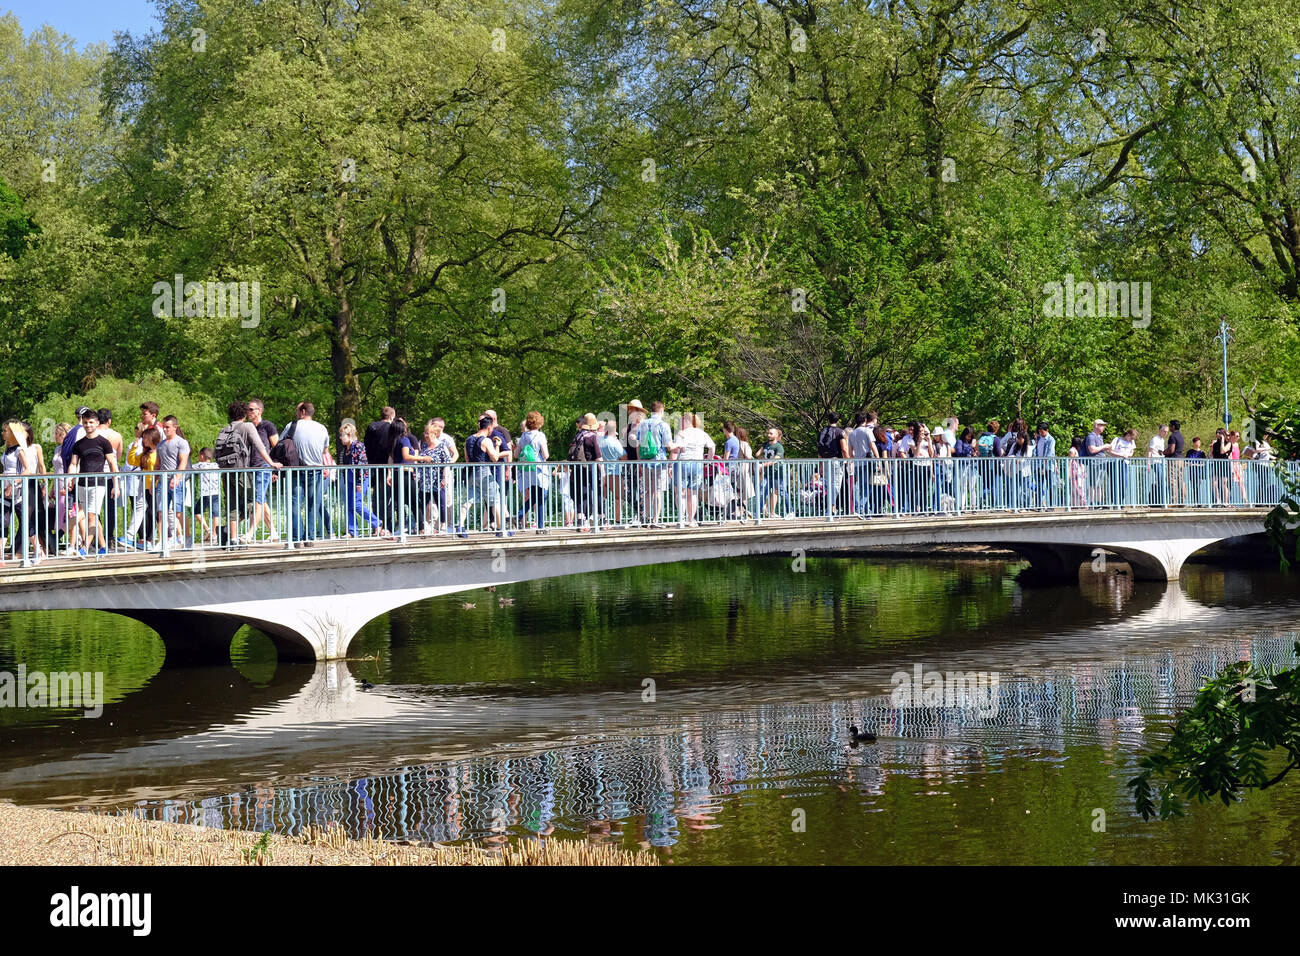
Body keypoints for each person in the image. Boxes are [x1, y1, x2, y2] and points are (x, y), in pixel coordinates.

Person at [215, 401, 279, 549]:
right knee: (253, 501)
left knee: (232, 504)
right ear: (243, 414)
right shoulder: (248, 426)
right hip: (242, 472)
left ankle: (232, 538)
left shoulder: (225, 429)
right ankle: (248, 534)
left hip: (226, 472)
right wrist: (272, 463)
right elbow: (260, 446)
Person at [67, 410, 119, 556]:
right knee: (93, 517)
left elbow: (112, 464)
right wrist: (70, 478)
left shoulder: (104, 442)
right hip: (83, 484)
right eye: (85, 422)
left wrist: (116, 485)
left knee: (91, 516)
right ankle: (103, 546)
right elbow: (73, 463)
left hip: (98, 484)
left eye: (91, 422)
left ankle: (84, 548)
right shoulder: (79, 444)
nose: (88, 425)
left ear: (97, 423)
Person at [284, 402, 330, 545]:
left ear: (303, 411)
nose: (296, 413)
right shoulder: (322, 428)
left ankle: (297, 538)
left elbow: (282, 445)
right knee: (313, 504)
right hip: (315, 470)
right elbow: (325, 450)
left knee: (295, 503)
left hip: (296, 470)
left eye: (297, 410)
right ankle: (309, 538)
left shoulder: (292, 426)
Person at [457, 414, 509, 537]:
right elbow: (495, 458)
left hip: (472, 473)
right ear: (490, 427)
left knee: (468, 500)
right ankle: (501, 529)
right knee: (495, 500)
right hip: (485, 473)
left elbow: (467, 459)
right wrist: (497, 445)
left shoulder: (468, 439)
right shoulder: (486, 441)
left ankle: (460, 526)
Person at [338, 422, 384, 537]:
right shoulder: (345, 450)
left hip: (360, 478)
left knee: (356, 504)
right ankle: (352, 530)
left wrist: (359, 482)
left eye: (342, 435)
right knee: (349, 505)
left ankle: (376, 522)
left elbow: (362, 465)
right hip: (348, 478)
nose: (340, 437)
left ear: (349, 435)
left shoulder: (358, 446)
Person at [246, 399, 280, 542]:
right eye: (248, 409)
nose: (248, 412)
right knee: (262, 500)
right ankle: (273, 532)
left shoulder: (267, 426)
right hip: (252, 468)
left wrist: (274, 470)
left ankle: (250, 533)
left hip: (264, 467)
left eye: (251, 409)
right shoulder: (247, 427)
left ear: (259, 411)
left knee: (258, 500)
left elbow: (277, 448)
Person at [636, 402, 675, 527]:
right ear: (661, 410)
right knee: (658, 491)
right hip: (659, 462)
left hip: (645, 462)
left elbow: (638, 445)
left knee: (647, 491)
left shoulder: (642, 424)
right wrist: (679, 446)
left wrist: (640, 462)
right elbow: (669, 446)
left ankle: (646, 519)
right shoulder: (663, 425)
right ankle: (655, 520)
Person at [673, 412, 714, 526]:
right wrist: (708, 461)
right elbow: (712, 446)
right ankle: (691, 520)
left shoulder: (681, 433)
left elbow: (676, 450)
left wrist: (670, 465)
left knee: (680, 493)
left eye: (681, 421)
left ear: (686, 421)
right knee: (693, 493)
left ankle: (681, 519)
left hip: (683, 463)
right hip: (698, 464)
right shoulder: (701, 433)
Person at [157, 415, 192, 547]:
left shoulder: (181, 442)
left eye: (168, 427)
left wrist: (177, 477)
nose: (165, 430)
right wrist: (154, 480)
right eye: (164, 427)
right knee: (161, 511)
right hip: (163, 480)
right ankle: (161, 541)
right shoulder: (161, 445)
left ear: (175, 427)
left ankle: (188, 539)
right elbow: (158, 464)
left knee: (179, 512)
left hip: (177, 481)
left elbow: (183, 461)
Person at [515, 412, 550, 533]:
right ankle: (538, 525)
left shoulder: (523, 436)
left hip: (526, 470)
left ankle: (521, 516)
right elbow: (546, 455)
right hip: (538, 469)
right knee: (541, 496)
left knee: (535, 496)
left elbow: (516, 454)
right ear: (539, 423)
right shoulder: (540, 436)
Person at [420, 418, 457, 534]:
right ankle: (423, 525)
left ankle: (443, 525)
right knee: (422, 503)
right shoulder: (424, 446)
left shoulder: (441, 446)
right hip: (425, 480)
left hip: (437, 479)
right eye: (425, 433)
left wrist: (444, 478)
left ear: (434, 434)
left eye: (428, 434)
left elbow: (446, 463)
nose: (426, 436)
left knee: (441, 502)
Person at [568, 413, 602, 530]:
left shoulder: (578, 436)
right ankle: (599, 519)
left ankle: (580, 520)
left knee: (579, 494)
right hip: (590, 469)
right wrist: (602, 472)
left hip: (577, 469)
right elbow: (598, 456)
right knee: (595, 493)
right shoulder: (592, 437)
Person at [96, 409, 124, 548]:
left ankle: (98, 536)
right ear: (109, 420)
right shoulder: (116, 435)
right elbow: (118, 457)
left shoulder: (93, 434)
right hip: (111, 474)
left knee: (94, 508)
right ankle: (110, 536)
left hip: (96, 473)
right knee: (110, 507)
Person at [816, 413, 851, 515]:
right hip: (836, 461)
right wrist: (848, 460)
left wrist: (821, 465)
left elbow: (819, 450)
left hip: (826, 461)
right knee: (835, 485)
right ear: (838, 420)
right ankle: (830, 509)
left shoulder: (822, 431)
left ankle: (830, 508)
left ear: (828, 420)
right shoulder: (840, 432)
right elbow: (844, 449)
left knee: (828, 485)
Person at [758, 426, 791, 519]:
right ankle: (761, 510)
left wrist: (763, 465)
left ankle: (790, 511)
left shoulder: (779, 447)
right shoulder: (766, 445)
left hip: (777, 474)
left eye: (771, 433)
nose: (768, 435)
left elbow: (775, 460)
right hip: (767, 473)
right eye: (768, 433)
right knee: (762, 491)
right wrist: (760, 460)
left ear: (777, 435)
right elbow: (757, 454)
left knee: (781, 492)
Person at [599, 420, 627, 525]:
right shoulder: (615, 442)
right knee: (619, 497)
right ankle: (618, 521)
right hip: (614, 472)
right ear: (614, 429)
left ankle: (603, 519)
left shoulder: (600, 441)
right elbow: (624, 456)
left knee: (603, 497)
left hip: (602, 472)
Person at [192, 448, 221, 544]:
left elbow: (188, 467)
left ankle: (208, 529)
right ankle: (214, 534)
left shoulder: (200, 465)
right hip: (216, 492)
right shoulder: (216, 465)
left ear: (202, 455)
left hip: (206, 493)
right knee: (215, 514)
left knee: (197, 511)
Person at [1146, 424, 1169, 506]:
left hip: (1161, 462)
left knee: (1162, 480)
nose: (1166, 433)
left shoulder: (1162, 440)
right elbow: (1150, 451)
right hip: (1155, 461)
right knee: (1161, 480)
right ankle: (1162, 501)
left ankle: (1160, 500)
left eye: (1167, 432)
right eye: (1164, 431)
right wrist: (1148, 463)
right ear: (1160, 431)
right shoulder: (1155, 439)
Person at [1166, 420, 1186, 505]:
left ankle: (1173, 501)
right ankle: (1182, 501)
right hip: (1181, 459)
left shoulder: (1173, 436)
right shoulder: (1181, 436)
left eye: (1170, 426)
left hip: (1173, 460)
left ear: (1173, 426)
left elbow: (1171, 450)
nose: (1169, 427)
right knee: (1180, 480)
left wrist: (1163, 452)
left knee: (1172, 480)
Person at [1185, 436, 1208, 505]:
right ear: (1194, 443)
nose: (1198, 444)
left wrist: (1197, 465)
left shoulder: (1202, 453)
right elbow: (1186, 461)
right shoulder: (1190, 452)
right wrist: (1190, 464)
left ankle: (1198, 502)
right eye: (1197, 442)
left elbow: (1204, 463)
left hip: (1199, 473)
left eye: (1199, 442)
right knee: (1193, 487)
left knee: (1197, 487)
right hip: (1192, 472)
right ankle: (1195, 502)